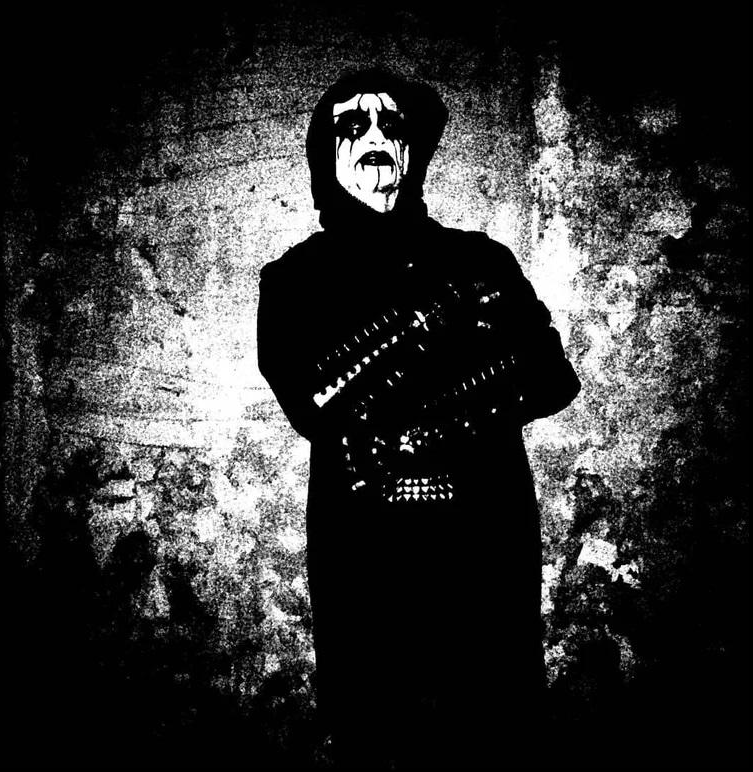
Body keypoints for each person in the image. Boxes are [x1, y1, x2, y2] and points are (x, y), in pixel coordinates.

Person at [257, 68, 580, 768]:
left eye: (392, 125)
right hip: (365, 551)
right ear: (324, 154)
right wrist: (430, 325)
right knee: (375, 730)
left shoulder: (480, 258)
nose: (374, 138)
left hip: (482, 542)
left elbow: (552, 377)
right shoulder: (293, 281)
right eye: (352, 126)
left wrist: (428, 425)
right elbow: (314, 403)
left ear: (413, 149)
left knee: (494, 729)